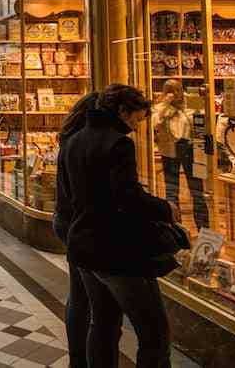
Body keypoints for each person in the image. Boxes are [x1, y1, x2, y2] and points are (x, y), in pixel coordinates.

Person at [58, 84, 178, 368]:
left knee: (102, 323)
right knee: (154, 332)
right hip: (115, 249)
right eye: (136, 119)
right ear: (123, 111)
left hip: (83, 244)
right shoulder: (118, 143)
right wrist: (165, 209)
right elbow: (127, 196)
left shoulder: (74, 139)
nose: (136, 127)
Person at [52, 92, 99, 368]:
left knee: (79, 295)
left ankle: (78, 359)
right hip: (80, 226)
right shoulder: (85, 146)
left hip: (67, 221)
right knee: (89, 300)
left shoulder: (68, 140)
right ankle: (85, 358)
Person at [153, 79, 208, 229]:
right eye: (170, 91)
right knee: (172, 191)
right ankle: (178, 231)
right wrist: (166, 107)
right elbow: (156, 124)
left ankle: (204, 230)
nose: (175, 94)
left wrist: (185, 109)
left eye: (177, 90)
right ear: (165, 92)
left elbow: (201, 122)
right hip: (169, 151)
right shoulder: (160, 107)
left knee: (198, 192)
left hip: (194, 150)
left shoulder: (193, 100)